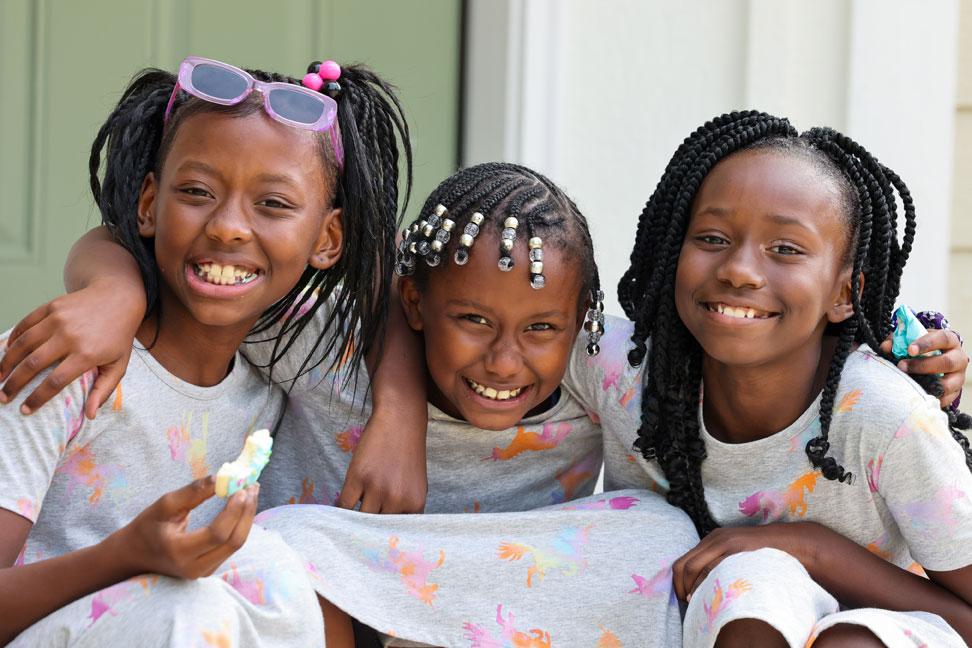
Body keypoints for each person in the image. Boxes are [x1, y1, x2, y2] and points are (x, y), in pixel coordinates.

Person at [0, 54, 421, 647]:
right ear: (149, 205)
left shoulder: (275, 379)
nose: (228, 227)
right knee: (191, 612)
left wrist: (402, 414)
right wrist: (125, 559)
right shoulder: (63, 363)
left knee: (277, 571)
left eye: (272, 204)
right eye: (196, 191)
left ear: (327, 239)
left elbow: (391, 287)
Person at [570, 111, 972, 646]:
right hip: (733, 622)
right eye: (711, 237)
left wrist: (812, 548)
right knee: (751, 587)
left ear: (846, 294)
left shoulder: (887, 419)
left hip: (877, 631)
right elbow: (447, 316)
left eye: (785, 249)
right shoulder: (626, 372)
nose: (738, 269)